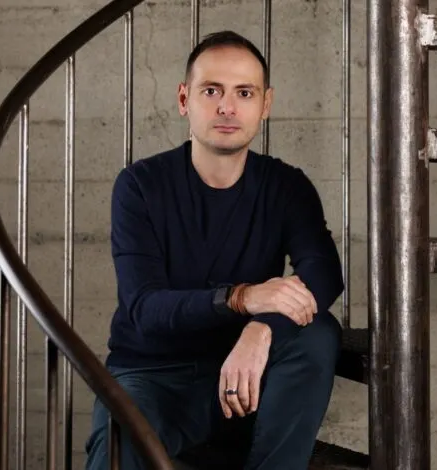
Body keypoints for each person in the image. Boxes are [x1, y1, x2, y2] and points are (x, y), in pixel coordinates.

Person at [84, 30, 345, 470]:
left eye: (244, 93)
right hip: (153, 377)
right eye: (212, 91)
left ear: (265, 105)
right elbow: (144, 307)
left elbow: (324, 273)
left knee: (318, 333)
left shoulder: (286, 186)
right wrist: (243, 297)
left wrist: (260, 329)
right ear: (184, 99)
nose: (228, 106)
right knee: (119, 448)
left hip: (248, 380)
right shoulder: (140, 186)